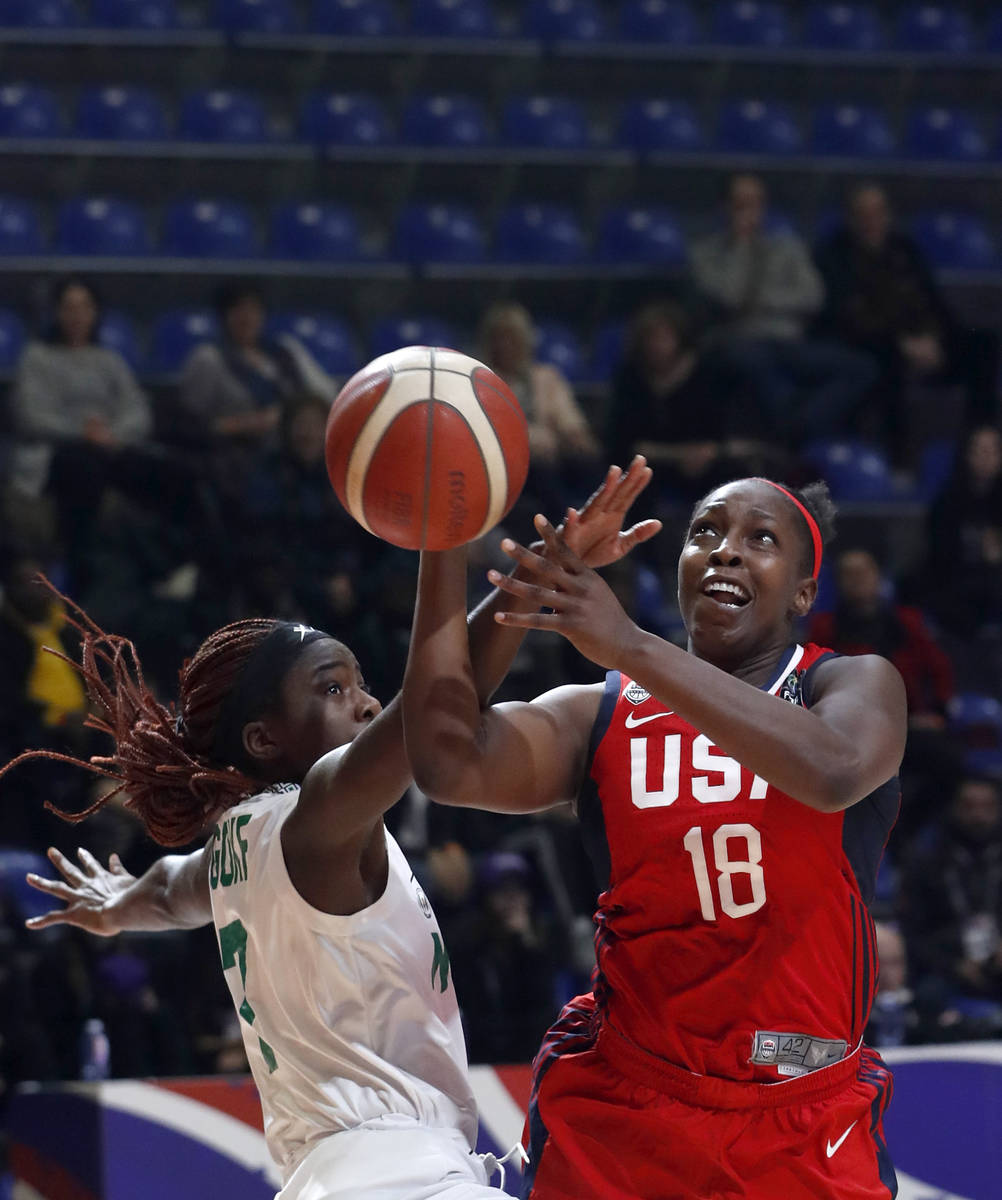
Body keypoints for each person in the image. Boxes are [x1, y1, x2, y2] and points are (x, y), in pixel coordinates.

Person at [6, 460, 660, 1200]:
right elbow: (437, 714)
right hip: (398, 1176)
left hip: (334, 1179)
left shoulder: (232, 847)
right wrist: (445, 539)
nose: (365, 702)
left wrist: (116, 905)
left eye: (358, 681)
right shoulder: (313, 818)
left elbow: (166, 891)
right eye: (332, 688)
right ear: (263, 740)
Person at [402, 476, 907, 1199]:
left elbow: (834, 771)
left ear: (803, 593)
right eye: (705, 532)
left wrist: (630, 644)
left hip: (803, 1112)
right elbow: (446, 759)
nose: (725, 551)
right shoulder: (600, 714)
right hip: (626, 1106)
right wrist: (505, 571)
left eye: (759, 540)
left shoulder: (851, 686)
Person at [690, 174, 876, 448]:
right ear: (725, 207)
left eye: (755, 203)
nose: (749, 211)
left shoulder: (786, 248)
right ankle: (792, 432)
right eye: (741, 204)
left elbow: (813, 296)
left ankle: (802, 423)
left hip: (791, 342)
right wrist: (741, 246)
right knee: (752, 361)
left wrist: (759, 301)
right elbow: (730, 297)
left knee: (861, 367)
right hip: (741, 340)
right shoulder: (706, 254)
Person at [814, 183, 1000, 455]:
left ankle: (981, 446)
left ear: (888, 215)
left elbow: (934, 302)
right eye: (863, 214)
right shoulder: (835, 255)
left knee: (984, 344)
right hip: (877, 346)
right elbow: (848, 317)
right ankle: (899, 458)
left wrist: (934, 339)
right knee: (885, 359)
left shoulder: (904, 248)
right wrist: (902, 343)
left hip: (926, 341)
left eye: (877, 212)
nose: (871, 221)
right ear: (852, 218)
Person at [8, 276, 155, 587]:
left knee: (164, 469)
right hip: (55, 458)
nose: (76, 315)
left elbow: (138, 411)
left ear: (95, 313)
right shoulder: (38, 358)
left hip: (108, 451)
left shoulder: (110, 361)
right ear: (57, 313)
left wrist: (111, 434)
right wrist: (81, 432)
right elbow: (30, 415)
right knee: (82, 463)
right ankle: (81, 571)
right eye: (68, 307)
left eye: (84, 307)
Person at [177, 282, 337, 512]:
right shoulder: (208, 359)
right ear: (224, 316)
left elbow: (326, 393)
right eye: (238, 310)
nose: (247, 318)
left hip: (300, 445)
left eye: (253, 310)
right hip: (246, 456)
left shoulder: (285, 350)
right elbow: (189, 425)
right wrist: (247, 424)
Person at [605, 299, 778, 507]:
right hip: (654, 465)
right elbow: (627, 442)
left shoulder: (709, 374)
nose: (657, 346)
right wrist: (680, 455)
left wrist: (709, 452)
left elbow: (727, 435)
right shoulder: (630, 378)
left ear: (679, 338)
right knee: (635, 481)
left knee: (735, 479)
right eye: (651, 338)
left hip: (707, 461)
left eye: (664, 338)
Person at [478, 302, 600, 517]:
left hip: (554, 452)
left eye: (513, 338)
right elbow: (490, 430)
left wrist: (575, 435)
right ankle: (566, 536)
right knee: (544, 473)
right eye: (500, 338)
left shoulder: (546, 377)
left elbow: (566, 416)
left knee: (590, 463)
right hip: (510, 464)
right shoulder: (482, 381)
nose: (506, 345)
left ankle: (601, 531)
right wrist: (535, 440)